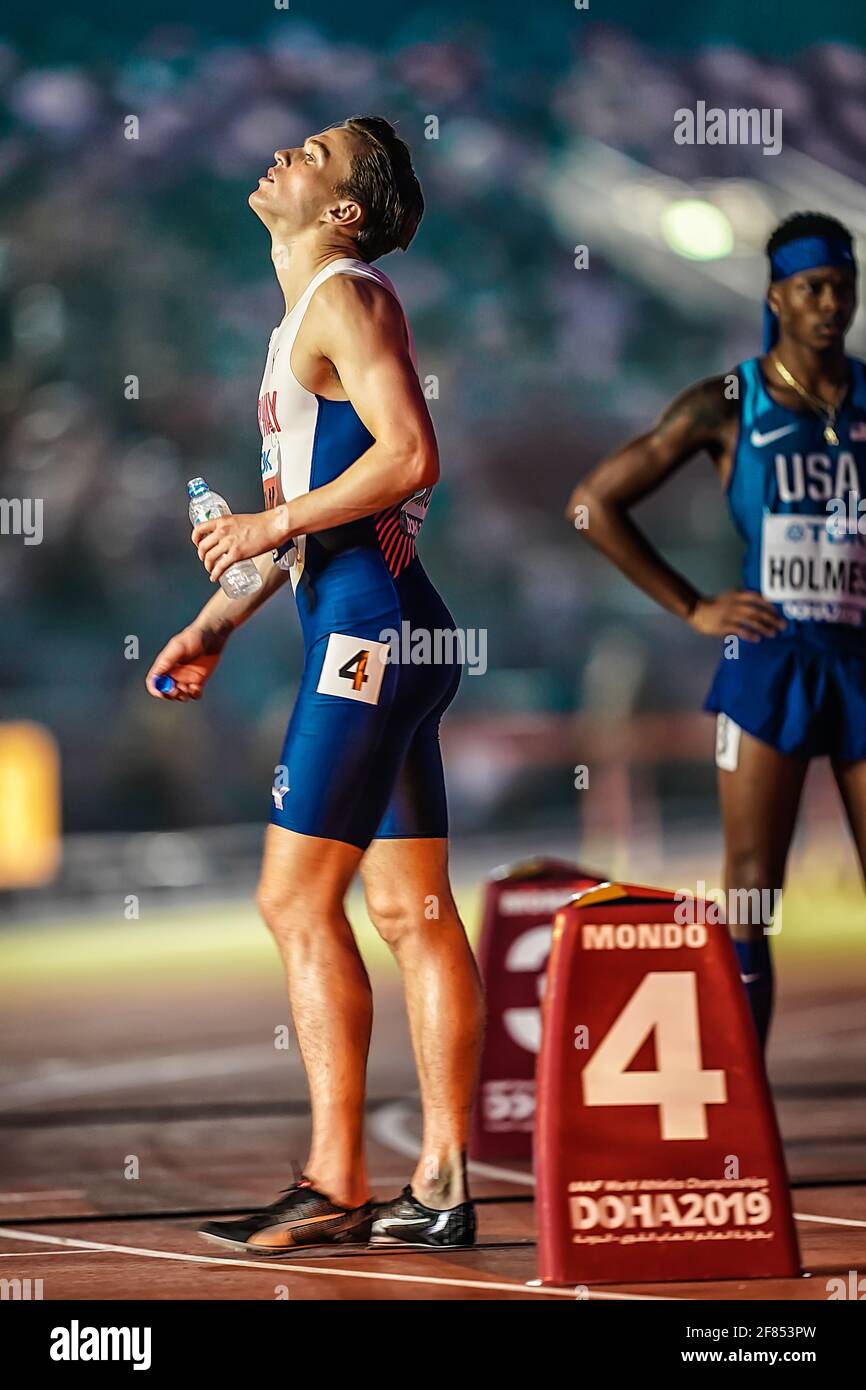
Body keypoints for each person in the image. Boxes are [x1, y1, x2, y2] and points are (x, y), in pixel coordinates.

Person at [146, 116, 483, 1250]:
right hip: (382, 626)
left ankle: (335, 1181)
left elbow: (407, 456)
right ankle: (437, 1188)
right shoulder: (307, 317)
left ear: (343, 211)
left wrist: (267, 521)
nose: (284, 153)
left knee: (294, 899)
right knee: (408, 907)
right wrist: (213, 621)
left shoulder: (349, 297)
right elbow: (300, 530)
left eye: (315, 153)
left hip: (371, 634)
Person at [566, 212, 866, 1053]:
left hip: (858, 661)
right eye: (812, 288)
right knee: (750, 890)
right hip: (769, 657)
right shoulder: (727, 402)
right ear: (776, 295)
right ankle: (743, 1094)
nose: (830, 305)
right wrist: (693, 605)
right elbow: (592, 504)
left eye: (843, 287)